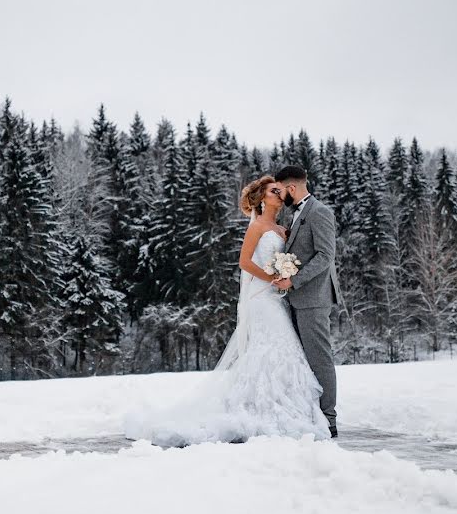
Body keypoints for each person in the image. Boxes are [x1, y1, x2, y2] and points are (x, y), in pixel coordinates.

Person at [124, 175, 330, 447]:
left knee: (281, 348)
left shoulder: (282, 229)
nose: (279, 194)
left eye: (280, 191)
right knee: (274, 346)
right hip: (261, 299)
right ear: (262, 198)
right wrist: (271, 278)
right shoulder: (257, 226)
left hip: (278, 297)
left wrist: (286, 272)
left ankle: (279, 406)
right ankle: (261, 408)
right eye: (273, 191)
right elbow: (244, 262)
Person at [273, 165, 342, 438]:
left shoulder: (320, 212)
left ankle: (329, 419)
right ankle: (310, 413)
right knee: (303, 359)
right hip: (296, 298)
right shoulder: (295, 215)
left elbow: (326, 256)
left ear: (292, 188)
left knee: (319, 358)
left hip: (313, 298)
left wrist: (294, 280)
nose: (280, 196)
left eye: (281, 190)